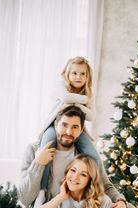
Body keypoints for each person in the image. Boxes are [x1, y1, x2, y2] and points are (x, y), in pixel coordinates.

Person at [16, 105, 137, 208]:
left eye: (74, 127)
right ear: (55, 125)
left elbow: (105, 185)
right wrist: (38, 163)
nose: (68, 132)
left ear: (81, 131)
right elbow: (25, 197)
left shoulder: (85, 156)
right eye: (64, 125)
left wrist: (120, 201)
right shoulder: (34, 150)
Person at [39, 56, 99, 196]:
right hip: (56, 126)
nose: (78, 77)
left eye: (82, 74)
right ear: (67, 74)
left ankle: (93, 190)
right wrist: (84, 101)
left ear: (87, 76)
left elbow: (91, 116)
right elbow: (66, 98)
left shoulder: (88, 92)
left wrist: (76, 104)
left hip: (77, 128)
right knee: (46, 148)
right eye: (74, 73)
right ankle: (42, 191)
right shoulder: (61, 85)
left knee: (94, 155)